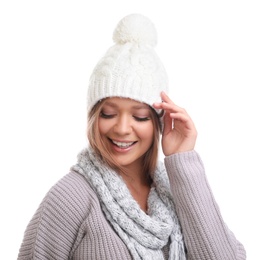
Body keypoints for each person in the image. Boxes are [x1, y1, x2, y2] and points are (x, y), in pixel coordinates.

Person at [17, 14, 246, 260]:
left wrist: (183, 160)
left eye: (139, 117)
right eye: (108, 113)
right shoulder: (71, 198)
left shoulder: (174, 190)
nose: (122, 128)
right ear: (93, 116)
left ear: (158, 122)